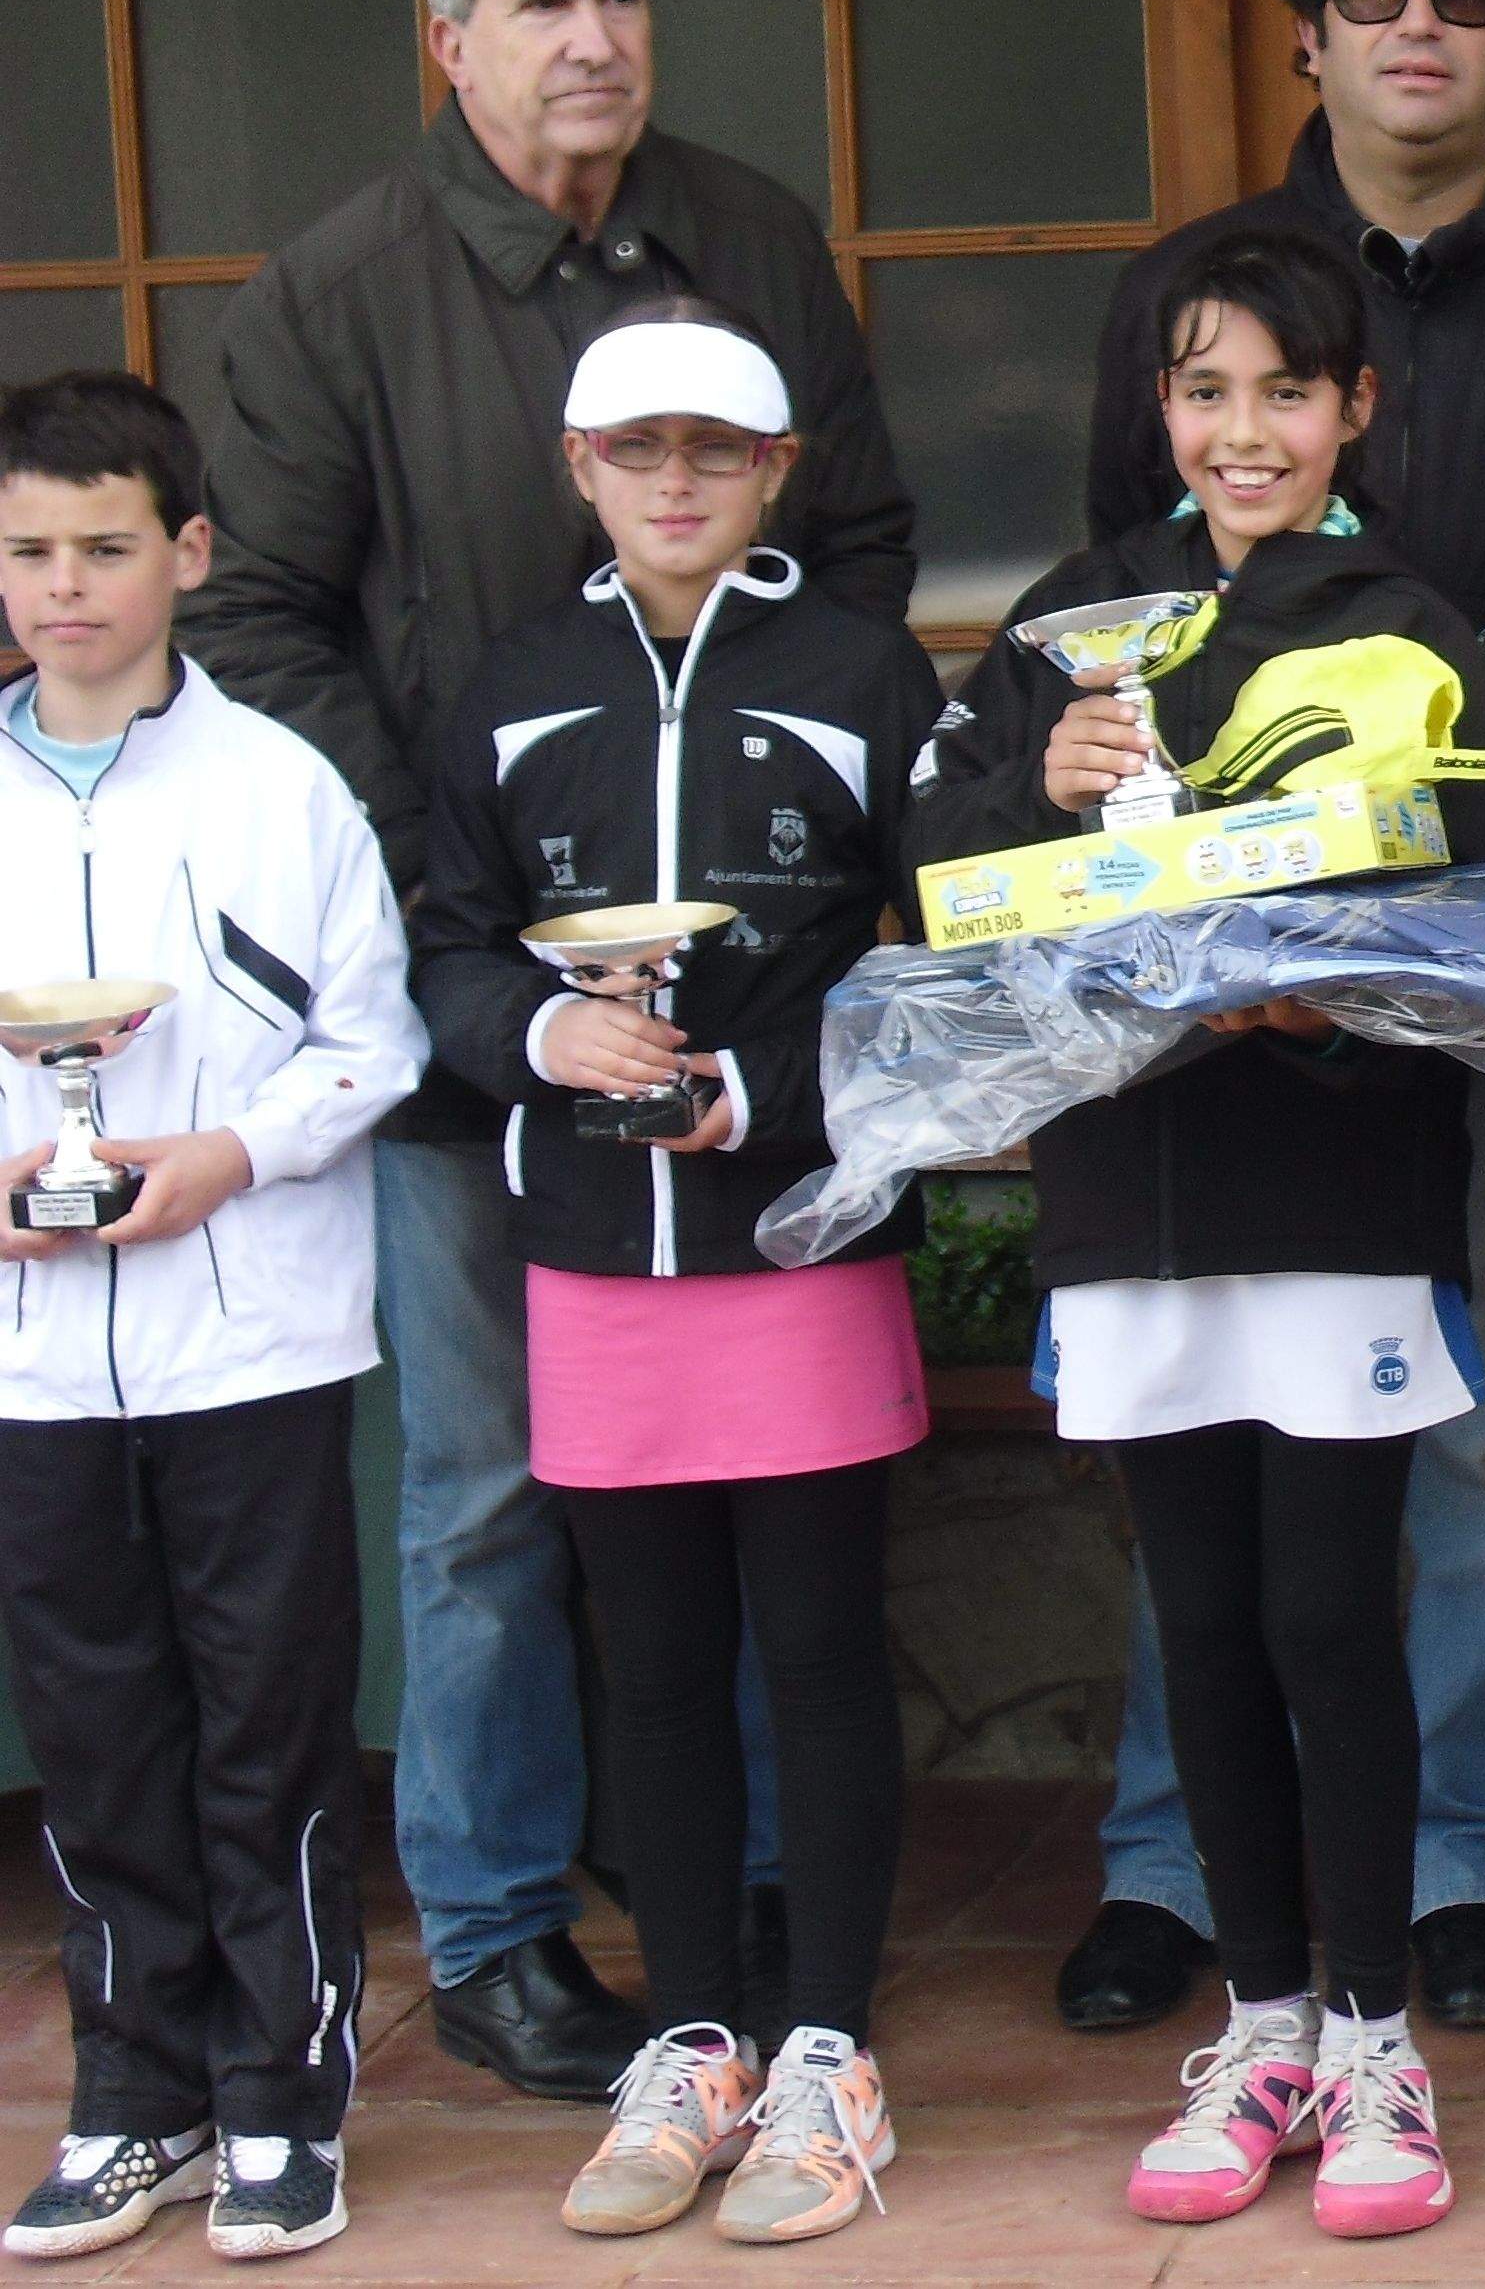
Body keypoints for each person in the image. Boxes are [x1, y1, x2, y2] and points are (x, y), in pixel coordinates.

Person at [183, 0, 912, 2103]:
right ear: (449, 39)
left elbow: (868, 547)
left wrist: (801, 922)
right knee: (490, 1490)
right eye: (539, 8)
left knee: (771, 1512)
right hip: (456, 996)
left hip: (758, 1017)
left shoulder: (755, 233)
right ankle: (497, 1920)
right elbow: (257, 622)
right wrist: (454, 904)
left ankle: (768, 1919)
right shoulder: (336, 289)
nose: (592, 41)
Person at [1063, 0, 1485, 2042]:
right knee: (1203, 1425)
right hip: (1214, 985)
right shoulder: (1190, 285)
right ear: (1309, 25)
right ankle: (1180, 1862)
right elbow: (1104, 607)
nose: (1420, 23)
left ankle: (1454, 1855)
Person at [921, 227, 1485, 2239]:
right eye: (1203, 390)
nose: (1241, 429)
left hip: (1336, 1192)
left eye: (1285, 388)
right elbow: (939, 885)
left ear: (1355, 408)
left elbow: (1482, 916)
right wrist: (1038, 780)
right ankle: (1261, 2022)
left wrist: (1324, 1010)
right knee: (1199, 1629)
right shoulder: (1073, 623)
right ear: (1156, 411)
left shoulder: (1411, 620)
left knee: (1332, 1624)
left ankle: (1377, 2038)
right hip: (1128, 1200)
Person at [409, 306, 941, 2245]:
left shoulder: (862, 674)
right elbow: (453, 945)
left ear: (777, 469)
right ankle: (695, 2031)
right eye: (639, 450)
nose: (677, 480)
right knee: (647, 1667)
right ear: (579, 471)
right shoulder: (514, 685)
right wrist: (546, 1044)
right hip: (591, 1257)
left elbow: (930, 957)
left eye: (715, 449)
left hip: (792, 1231)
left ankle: (827, 2049)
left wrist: (765, 1088)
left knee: (811, 1649)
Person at [0, 374, 421, 2265]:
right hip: (32, 1363)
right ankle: (131, 2094)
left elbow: (375, 1043)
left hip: (252, 1340)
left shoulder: (281, 788)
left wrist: (228, 1155)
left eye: (105, 545)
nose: (65, 585)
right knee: (95, 1734)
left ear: (186, 552)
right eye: (28, 550)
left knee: (265, 1727)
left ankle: (280, 2096)